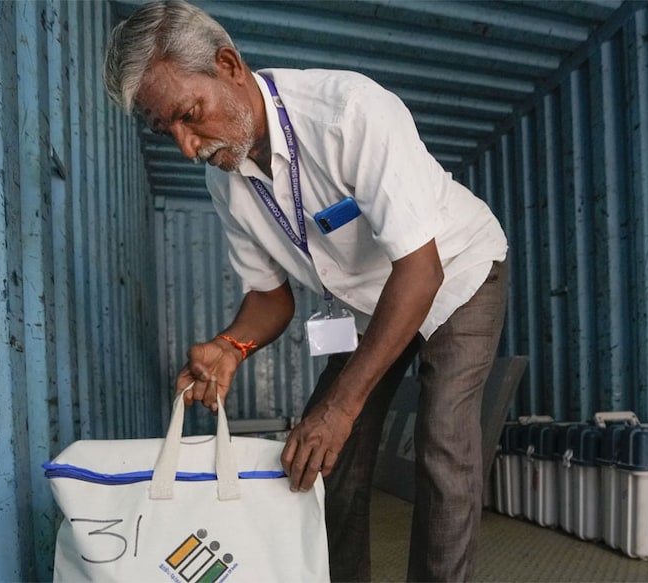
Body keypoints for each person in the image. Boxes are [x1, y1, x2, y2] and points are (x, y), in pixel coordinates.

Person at [104, 2, 508, 580]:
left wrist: (344, 406)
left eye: (189, 115)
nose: (187, 146)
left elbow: (420, 272)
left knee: (443, 447)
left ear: (228, 65)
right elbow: (271, 297)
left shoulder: (349, 112)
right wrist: (230, 345)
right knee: (319, 458)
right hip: (365, 304)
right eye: (164, 130)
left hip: (457, 273)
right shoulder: (229, 171)